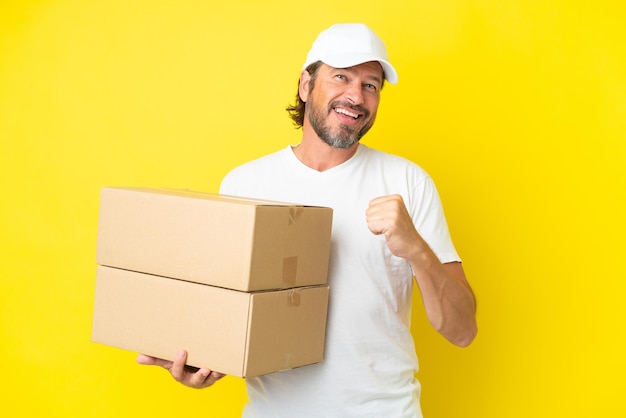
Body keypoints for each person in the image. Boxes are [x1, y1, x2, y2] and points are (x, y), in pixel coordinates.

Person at [137, 23, 477, 417]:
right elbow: (227, 316)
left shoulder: (408, 182)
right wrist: (203, 362)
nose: (356, 95)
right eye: (341, 77)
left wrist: (416, 248)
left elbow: (463, 330)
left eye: (371, 85)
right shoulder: (245, 183)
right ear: (305, 85)